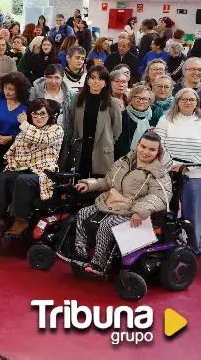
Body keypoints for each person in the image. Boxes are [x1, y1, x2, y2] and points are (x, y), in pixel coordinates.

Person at [71, 132, 171, 274]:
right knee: (83, 213)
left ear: (158, 151)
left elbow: (160, 196)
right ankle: (80, 253)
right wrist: (90, 184)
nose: (146, 152)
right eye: (143, 147)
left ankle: (98, 264)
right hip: (113, 202)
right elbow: (107, 181)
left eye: (152, 149)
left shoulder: (159, 173)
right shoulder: (124, 162)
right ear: (138, 145)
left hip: (133, 209)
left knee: (106, 224)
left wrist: (139, 211)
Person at [0, 99, 64, 235]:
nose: (39, 117)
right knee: (3, 177)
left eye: (42, 114)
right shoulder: (26, 131)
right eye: (35, 114)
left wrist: (24, 123)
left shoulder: (56, 129)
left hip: (45, 173)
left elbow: (41, 140)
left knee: (23, 180)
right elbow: (13, 151)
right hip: (25, 168)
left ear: (49, 115)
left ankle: (21, 221)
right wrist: (11, 166)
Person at [154, 88, 201, 254]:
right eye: (184, 99)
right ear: (177, 101)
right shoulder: (165, 119)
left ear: (196, 102)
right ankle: (168, 247)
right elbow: (159, 144)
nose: (188, 102)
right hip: (168, 172)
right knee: (167, 212)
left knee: (192, 214)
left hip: (195, 174)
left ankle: (192, 249)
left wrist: (189, 165)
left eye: (192, 99)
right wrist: (173, 164)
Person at [73, 65, 123, 179]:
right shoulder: (77, 99)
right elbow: (73, 123)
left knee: (99, 186)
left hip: (102, 149)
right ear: (88, 80)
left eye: (101, 79)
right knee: (79, 184)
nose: (96, 81)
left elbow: (116, 129)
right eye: (93, 77)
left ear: (105, 83)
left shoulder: (113, 103)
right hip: (81, 148)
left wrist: (108, 142)